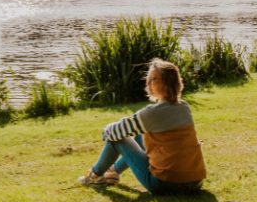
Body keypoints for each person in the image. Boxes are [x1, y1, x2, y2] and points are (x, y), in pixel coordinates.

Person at [78, 58, 206, 194]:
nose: (149, 83)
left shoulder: (152, 113)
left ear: (168, 83)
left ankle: (94, 176)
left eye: (154, 79)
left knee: (118, 138)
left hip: (166, 184)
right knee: (141, 135)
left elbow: (115, 133)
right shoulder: (184, 107)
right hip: (195, 181)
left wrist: (106, 130)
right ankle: (113, 172)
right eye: (149, 79)